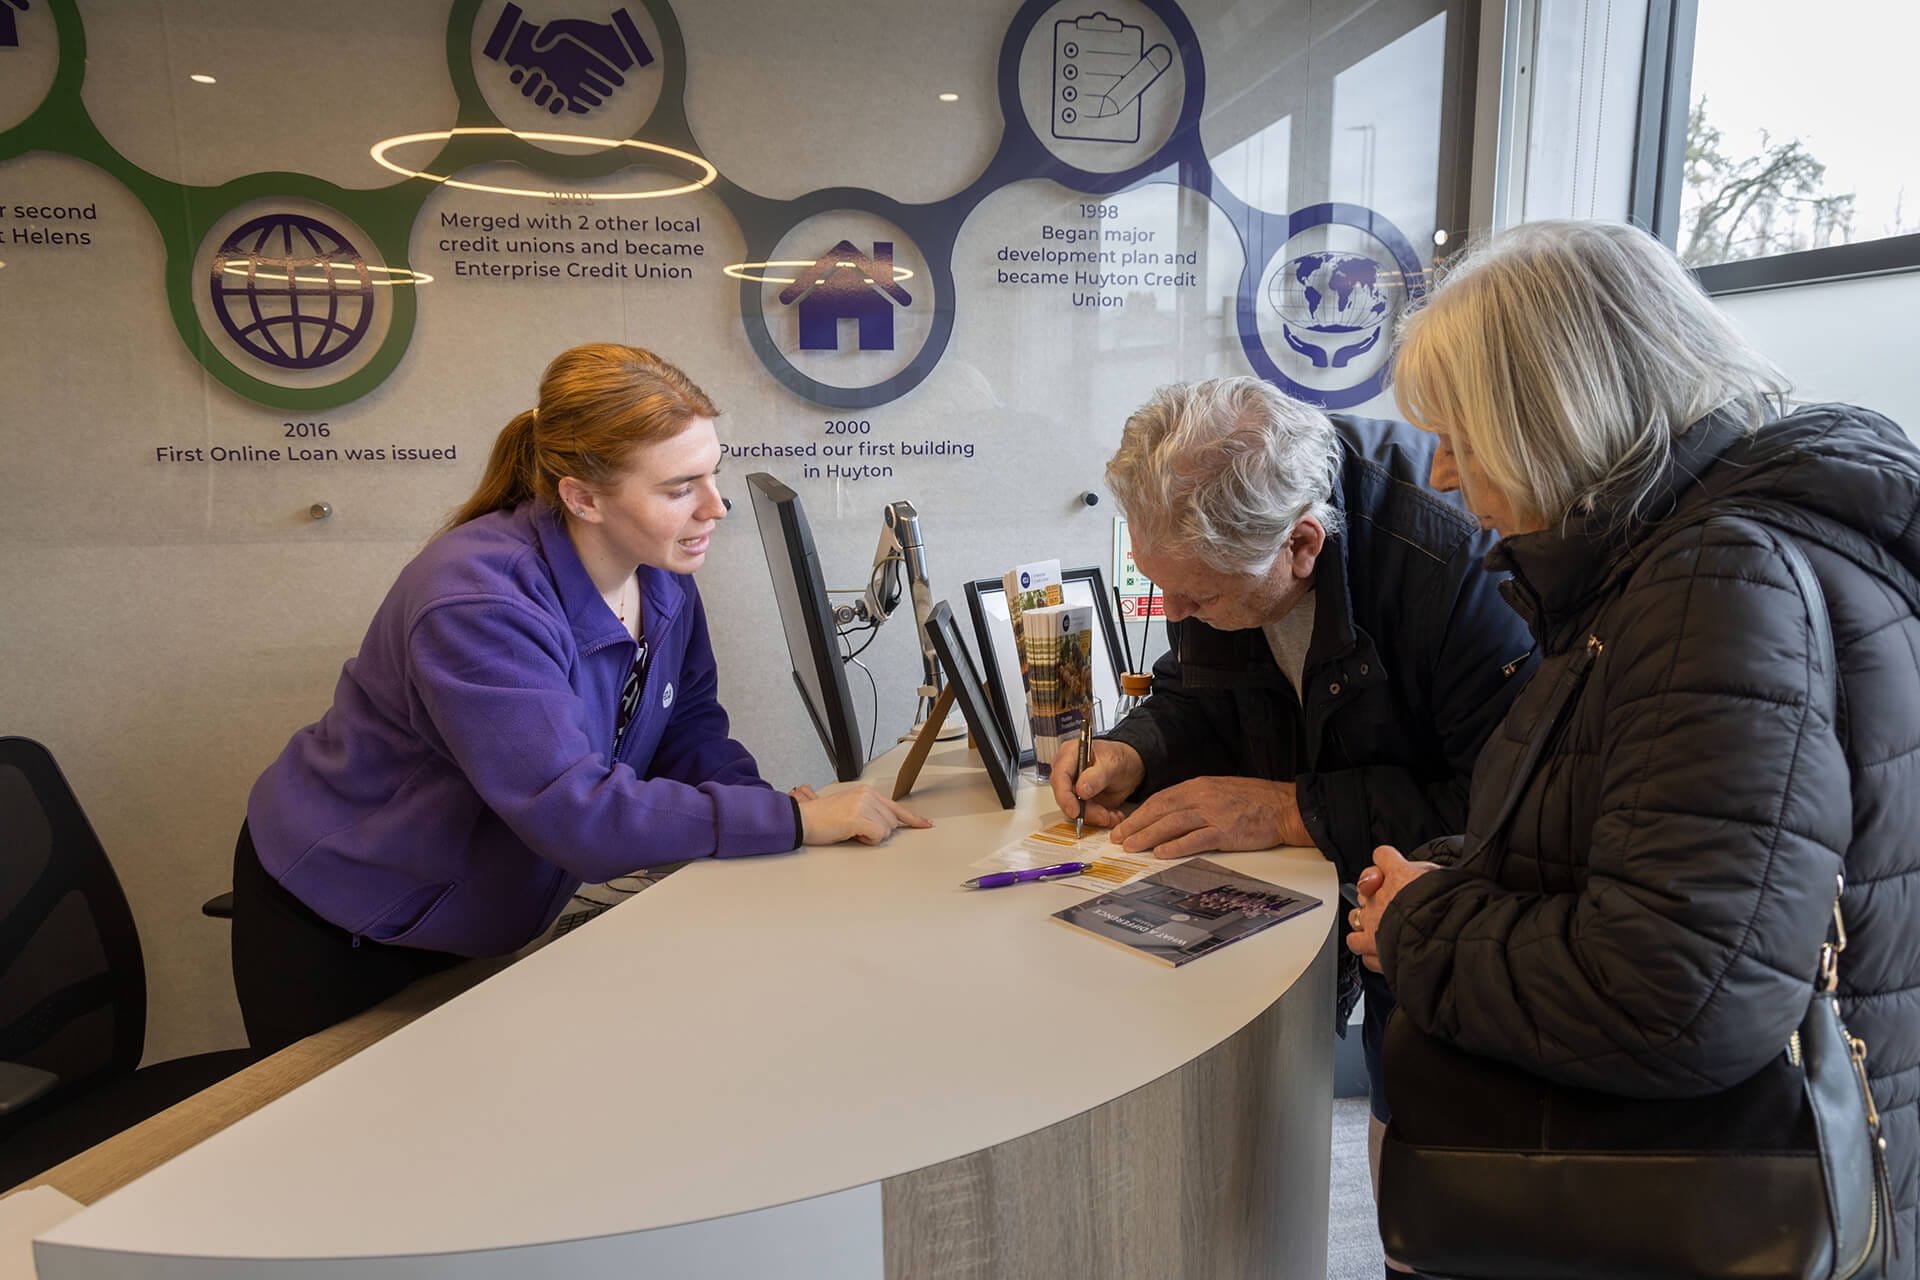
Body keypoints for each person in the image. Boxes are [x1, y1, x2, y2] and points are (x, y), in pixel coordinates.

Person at [1347, 219, 1920, 1275]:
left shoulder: (1711, 583)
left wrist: (1423, 923)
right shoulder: (1696, 560)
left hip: (1702, 1206)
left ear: (1550, 419)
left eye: (1461, 439)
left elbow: (1677, 991)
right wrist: (1463, 872)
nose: (1438, 474)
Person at [234, 344, 927, 1053]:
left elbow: (687, 730)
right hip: (355, 919)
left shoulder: (661, 575)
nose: (715, 507)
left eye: (712, 474)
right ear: (582, 497)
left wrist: (774, 817)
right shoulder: (477, 601)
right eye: (679, 487)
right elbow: (574, 812)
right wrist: (785, 820)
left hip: (476, 911)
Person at [1049, 376, 1537, 1276]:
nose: (1178, 616)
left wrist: (1287, 808)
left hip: (1449, 930)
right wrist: (1134, 749)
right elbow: (1199, 689)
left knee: (1434, 1160)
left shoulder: (1455, 562)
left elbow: (1502, 808)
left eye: (1195, 598)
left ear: (1303, 544)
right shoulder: (1231, 541)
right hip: (1347, 902)